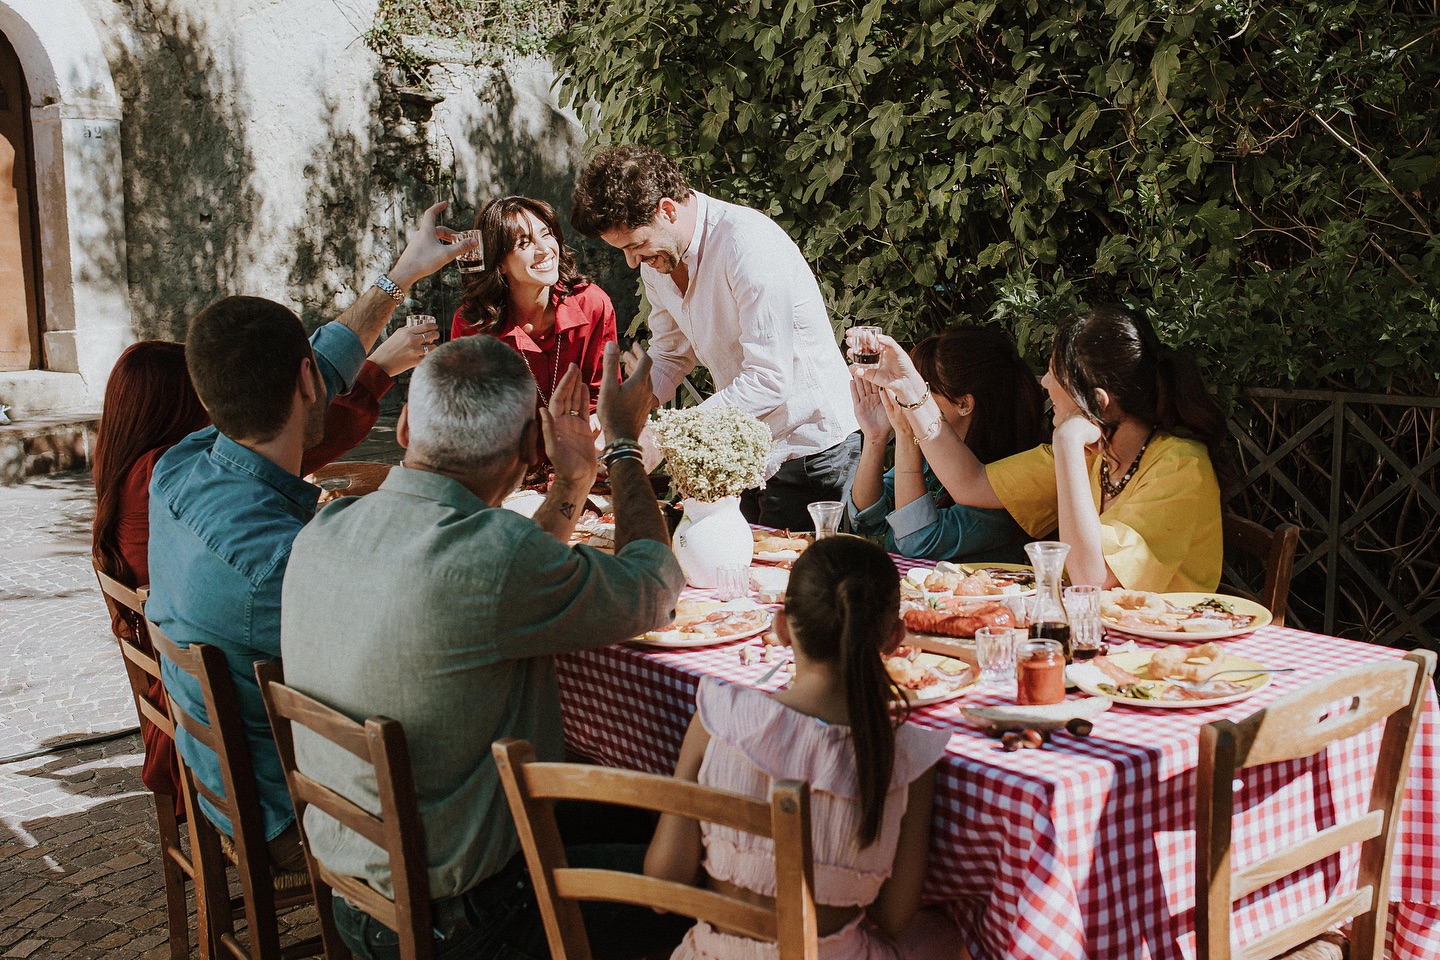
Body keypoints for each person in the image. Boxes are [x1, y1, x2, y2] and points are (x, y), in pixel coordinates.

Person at [280, 337, 688, 960]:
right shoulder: (497, 558)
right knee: (715, 870)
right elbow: (654, 586)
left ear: (407, 425)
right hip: (477, 923)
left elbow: (496, 577)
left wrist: (572, 484)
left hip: (358, 899)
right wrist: (624, 444)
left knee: (642, 824)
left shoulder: (324, 531)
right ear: (531, 446)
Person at [145, 203, 468, 871]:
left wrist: (404, 272)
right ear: (304, 383)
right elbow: (414, 650)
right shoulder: (285, 569)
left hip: (224, 792)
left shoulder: (179, 464)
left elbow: (328, 354)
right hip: (299, 813)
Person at [90, 327, 434, 816]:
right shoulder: (168, 472)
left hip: (201, 725)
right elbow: (284, 428)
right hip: (251, 768)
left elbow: (274, 419)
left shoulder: (160, 474)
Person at [644, 535, 959, 960]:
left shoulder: (717, 718)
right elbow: (895, 916)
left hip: (711, 954)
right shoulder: (909, 757)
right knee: (948, 935)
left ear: (780, 627)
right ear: (895, 638)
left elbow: (664, 888)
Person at [571, 144, 860, 530]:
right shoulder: (657, 260)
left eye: (636, 245)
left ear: (668, 210)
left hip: (814, 452)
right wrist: (622, 419)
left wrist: (665, 436)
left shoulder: (746, 244)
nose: (632, 261)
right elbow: (671, 354)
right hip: (753, 455)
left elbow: (769, 379)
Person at [851, 305, 1227, 592]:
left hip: (1172, 658)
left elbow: (1090, 579)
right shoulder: (1093, 450)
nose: (1044, 382)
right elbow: (969, 482)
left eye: (1055, 374)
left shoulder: (1180, 466)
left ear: (1098, 401)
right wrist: (912, 389)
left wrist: (1064, 443)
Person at [847, 325, 1045, 563]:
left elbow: (918, 543)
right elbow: (866, 519)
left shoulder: (1002, 480)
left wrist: (907, 436)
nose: (907, 399)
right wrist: (875, 438)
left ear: (963, 404)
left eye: (922, 391)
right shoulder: (928, 458)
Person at [451, 195, 617, 469]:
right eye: (524, 243)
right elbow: (468, 413)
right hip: (504, 471)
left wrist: (596, 425)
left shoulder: (593, 305)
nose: (545, 250)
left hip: (580, 462)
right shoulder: (472, 325)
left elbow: (602, 396)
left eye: (546, 234)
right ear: (500, 262)